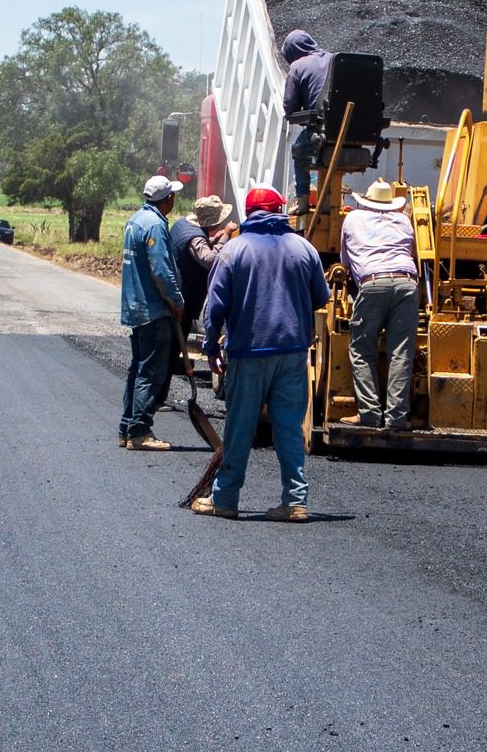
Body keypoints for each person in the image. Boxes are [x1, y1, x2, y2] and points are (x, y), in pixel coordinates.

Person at [195, 185, 330, 522]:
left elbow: (214, 308)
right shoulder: (304, 249)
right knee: (288, 428)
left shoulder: (234, 250)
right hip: (293, 352)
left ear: (249, 211)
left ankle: (225, 499)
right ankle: (295, 501)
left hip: (249, 352)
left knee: (240, 427)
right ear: (280, 210)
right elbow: (321, 297)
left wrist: (211, 346)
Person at [339, 178, 420, 430]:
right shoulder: (404, 220)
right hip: (407, 281)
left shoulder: (352, 219)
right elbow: (411, 251)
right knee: (401, 352)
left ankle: (370, 413)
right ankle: (397, 417)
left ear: (366, 200)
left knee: (362, 349)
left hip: (373, 281)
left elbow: (345, 260)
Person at [118, 175, 186, 450]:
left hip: (136, 307)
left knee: (138, 369)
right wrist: (177, 302)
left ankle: (127, 428)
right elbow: (161, 272)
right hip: (153, 309)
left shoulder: (134, 221)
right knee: (151, 372)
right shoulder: (155, 226)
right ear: (167, 199)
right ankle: (140, 432)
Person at [280, 28, 334, 212]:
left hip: (323, 130)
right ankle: (328, 200)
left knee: (299, 149)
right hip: (352, 132)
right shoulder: (335, 59)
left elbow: (290, 107)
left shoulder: (297, 66)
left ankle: (302, 200)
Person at [168, 194, 229, 341]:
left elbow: (194, 247)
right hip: (185, 297)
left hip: (175, 293)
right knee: (176, 344)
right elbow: (210, 260)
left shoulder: (182, 224)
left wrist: (214, 240)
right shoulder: (196, 237)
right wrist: (225, 236)